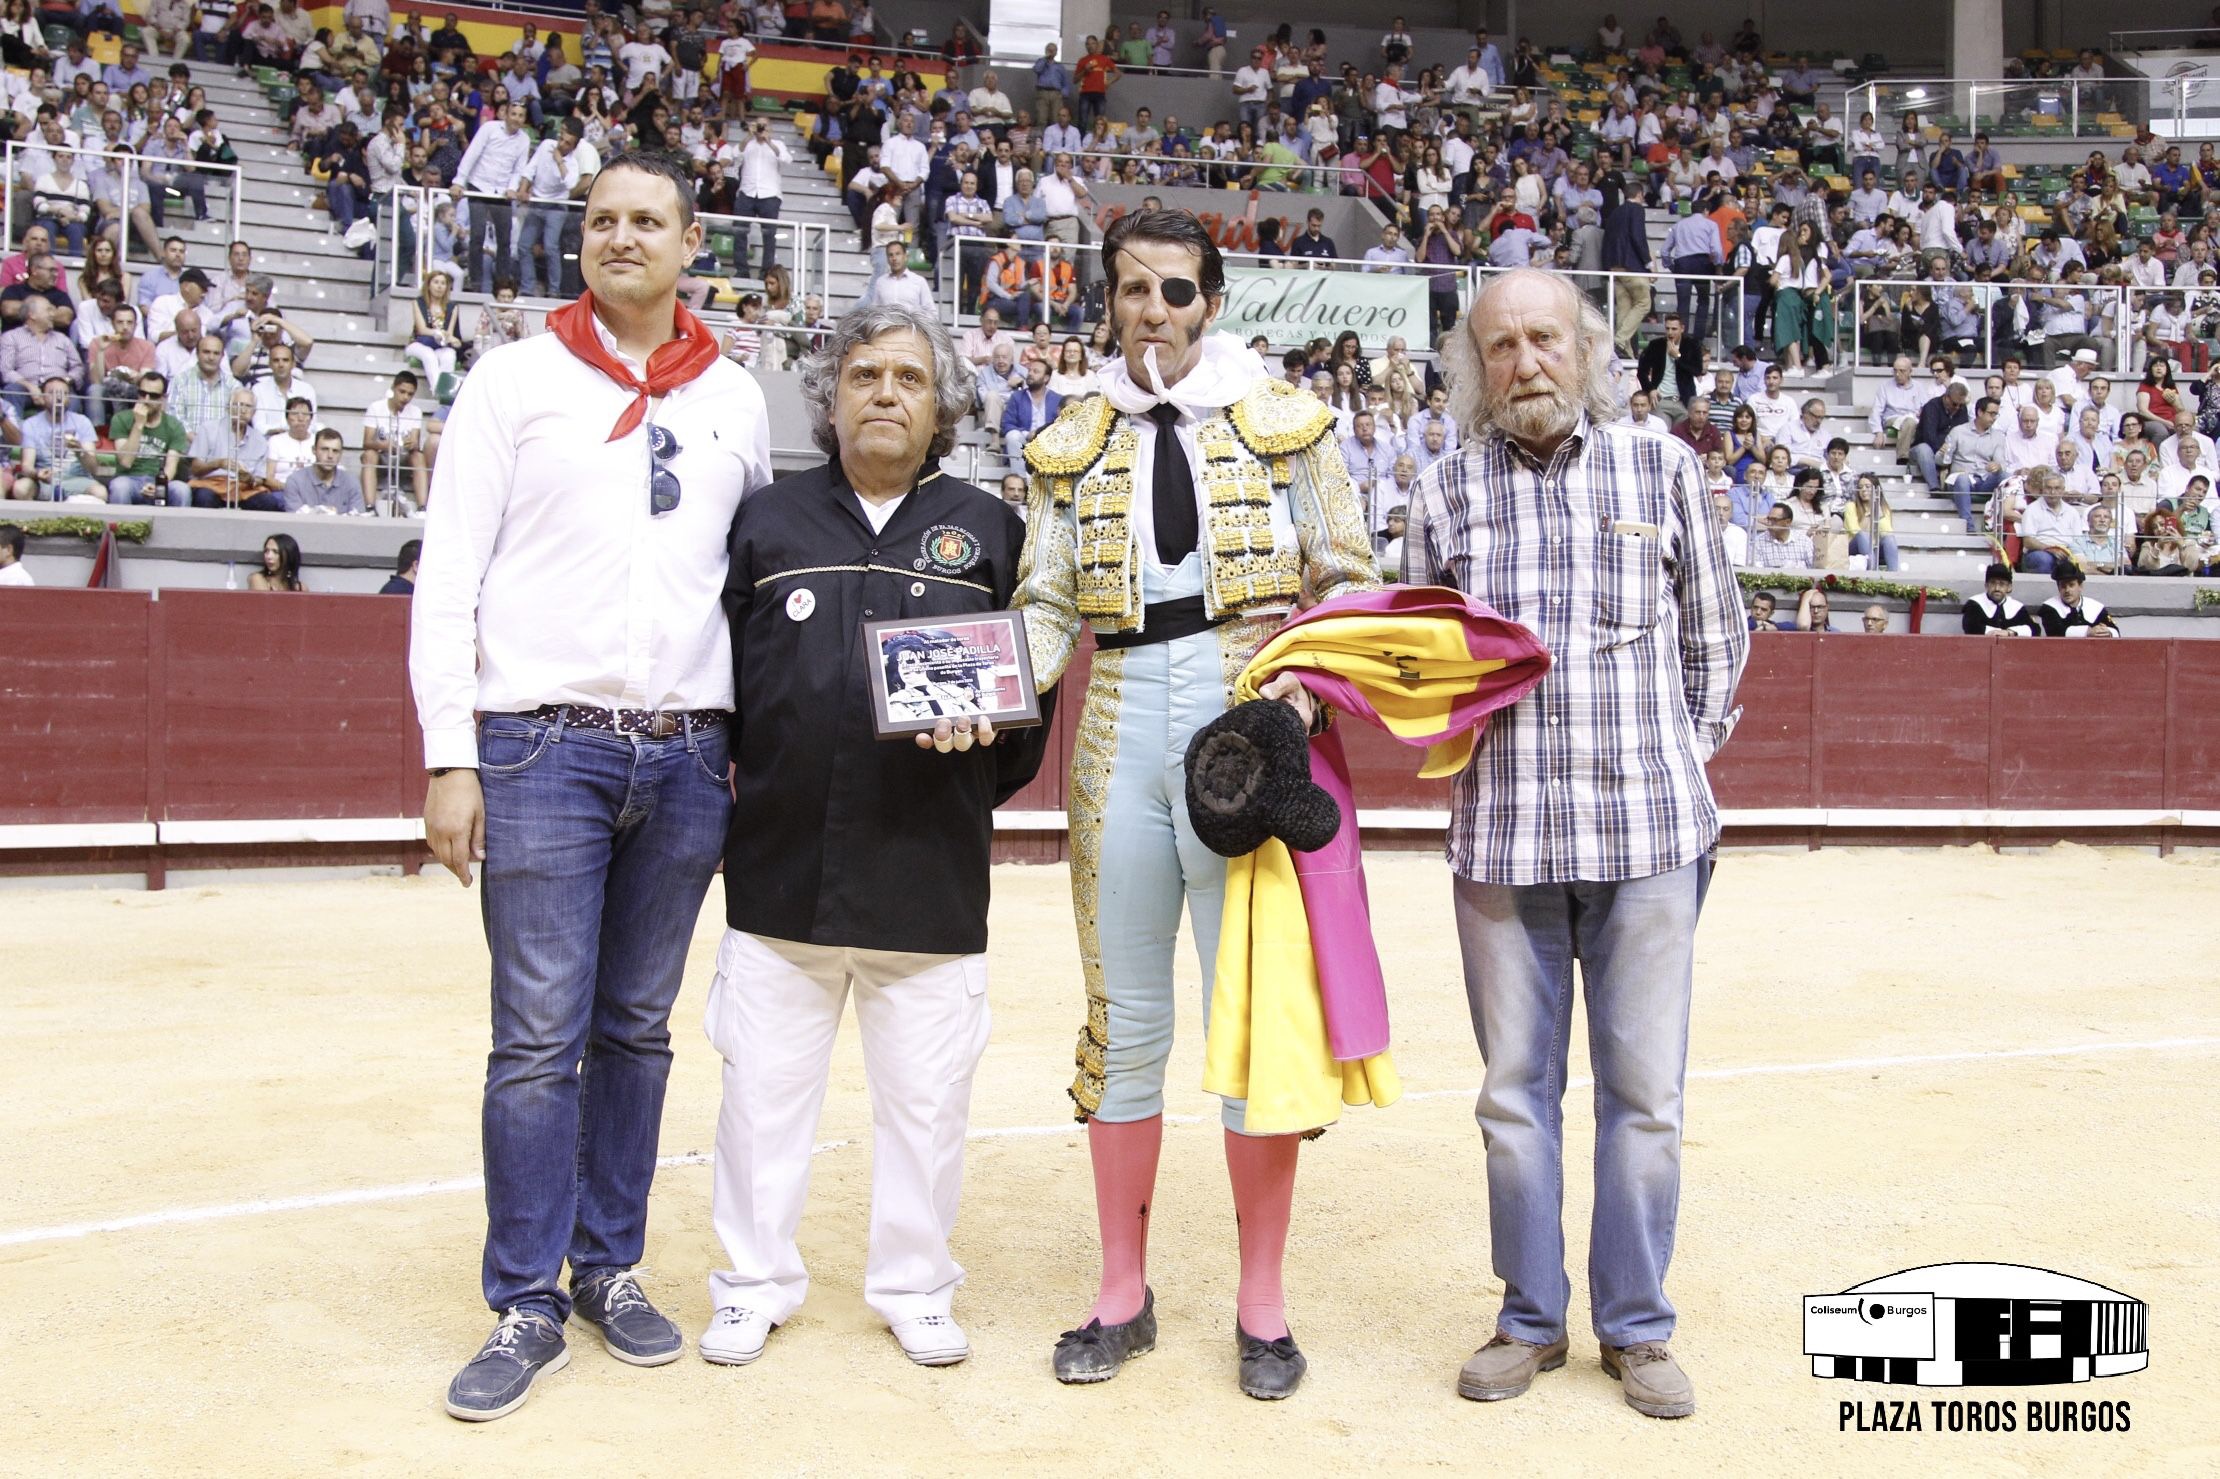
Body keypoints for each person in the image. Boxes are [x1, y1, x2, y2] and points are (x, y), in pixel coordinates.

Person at [411, 150, 773, 1424]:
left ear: (689, 244)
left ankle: (607, 1266)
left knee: (634, 1027)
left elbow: (751, 593)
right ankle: (524, 1295)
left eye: (647, 221)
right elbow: (447, 574)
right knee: (538, 1035)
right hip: (539, 748)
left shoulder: (735, 397)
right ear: (581, 242)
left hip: (686, 754)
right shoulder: (511, 382)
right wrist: (450, 753)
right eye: (601, 220)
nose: (621, 237)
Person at [1012, 208, 1377, 1401]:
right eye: (1132, 292)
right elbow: (1048, 603)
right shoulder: (1069, 441)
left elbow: (1347, 577)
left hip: (1244, 730)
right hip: (1116, 721)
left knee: (1252, 1019)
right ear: (1109, 304)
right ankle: (1124, 1292)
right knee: (1124, 1019)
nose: (1153, 312)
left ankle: (1260, 1302)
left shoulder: (1289, 428)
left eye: (1175, 292)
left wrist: (1297, 718)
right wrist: (978, 679)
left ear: (1212, 302)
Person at [1402, 267, 1745, 1420]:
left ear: (1589, 351)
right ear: (1475, 367)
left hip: (1649, 835)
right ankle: (1529, 1319)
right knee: (1513, 1097)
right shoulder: (1446, 492)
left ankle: (1638, 1329)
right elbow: (1419, 667)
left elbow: (1717, 637)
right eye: (1500, 347)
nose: (1526, 363)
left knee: (1645, 1096)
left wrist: (1680, 764)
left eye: (1545, 338)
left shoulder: (1665, 468)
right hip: (1502, 841)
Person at [702, 300, 1053, 1370]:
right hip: (778, 864)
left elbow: (1019, 711)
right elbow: (720, 686)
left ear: (941, 403)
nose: (886, 394)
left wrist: (982, 740)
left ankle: (915, 1284)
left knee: (927, 1104)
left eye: (908, 378)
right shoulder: (768, 523)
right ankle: (751, 1283)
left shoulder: (989, 529)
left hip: (928, 871)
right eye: (865, 377)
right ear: (832, 398)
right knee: (759, 1100)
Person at [105, 371, 190, 506]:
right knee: (119, 486)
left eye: (154, 396)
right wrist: (139, 425)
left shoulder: (174, 425)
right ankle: (118, 527)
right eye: (142, 393)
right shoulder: (121, 419)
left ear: (163, 398)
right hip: (128, 479)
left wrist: (159, 485)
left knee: (182, 489)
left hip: (159, 480)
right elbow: (126, 461)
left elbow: (171, 466)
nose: (146, 399)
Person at [1960, 561, 2042, 635]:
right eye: (1993, 583)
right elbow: (1970, 627)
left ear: (2009, 587)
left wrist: (2010, 632)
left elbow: (2035, 629)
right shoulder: (1974, 604)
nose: (1997, 588)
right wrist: (1998, 633)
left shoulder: (2016, 607)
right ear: (1986, 585)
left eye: (2002, 584)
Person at [2039, 561, 2120, 637]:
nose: (2067, 590)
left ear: (2080, 586)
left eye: (2071, 585)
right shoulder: (2049, 608)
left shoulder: (2095, 607)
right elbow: (2055, 632)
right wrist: (2087, 632)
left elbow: (2115, 631)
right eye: (2063, 586)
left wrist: (2107, 632)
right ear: (2058, 588)